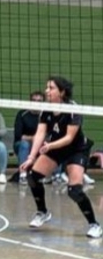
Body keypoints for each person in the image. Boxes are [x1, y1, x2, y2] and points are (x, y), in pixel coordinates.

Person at [20, 76, 102, 239]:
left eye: (51, 88)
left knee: (74, 191)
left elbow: (69, 138)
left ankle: (95, 225)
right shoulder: (46, 109)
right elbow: (40, 133)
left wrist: (49, 146)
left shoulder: (73, 109)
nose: (47, 91)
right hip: (55, 148)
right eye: (46, 87)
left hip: (76, 150)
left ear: (62, 92)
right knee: (32, 176)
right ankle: (42, 212)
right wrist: (31, 157)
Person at [12, 91, 44, 184]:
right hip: (21, 145)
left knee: (51, 145)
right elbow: (18, 135)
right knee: (24, 144)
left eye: (39, 101)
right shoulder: (22, 114)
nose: (36, 103)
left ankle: (54, 175)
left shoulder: (46, 115)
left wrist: (38, 140)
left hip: (39, 145)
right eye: (34, 100)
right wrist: (32, 138)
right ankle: (23, 175)